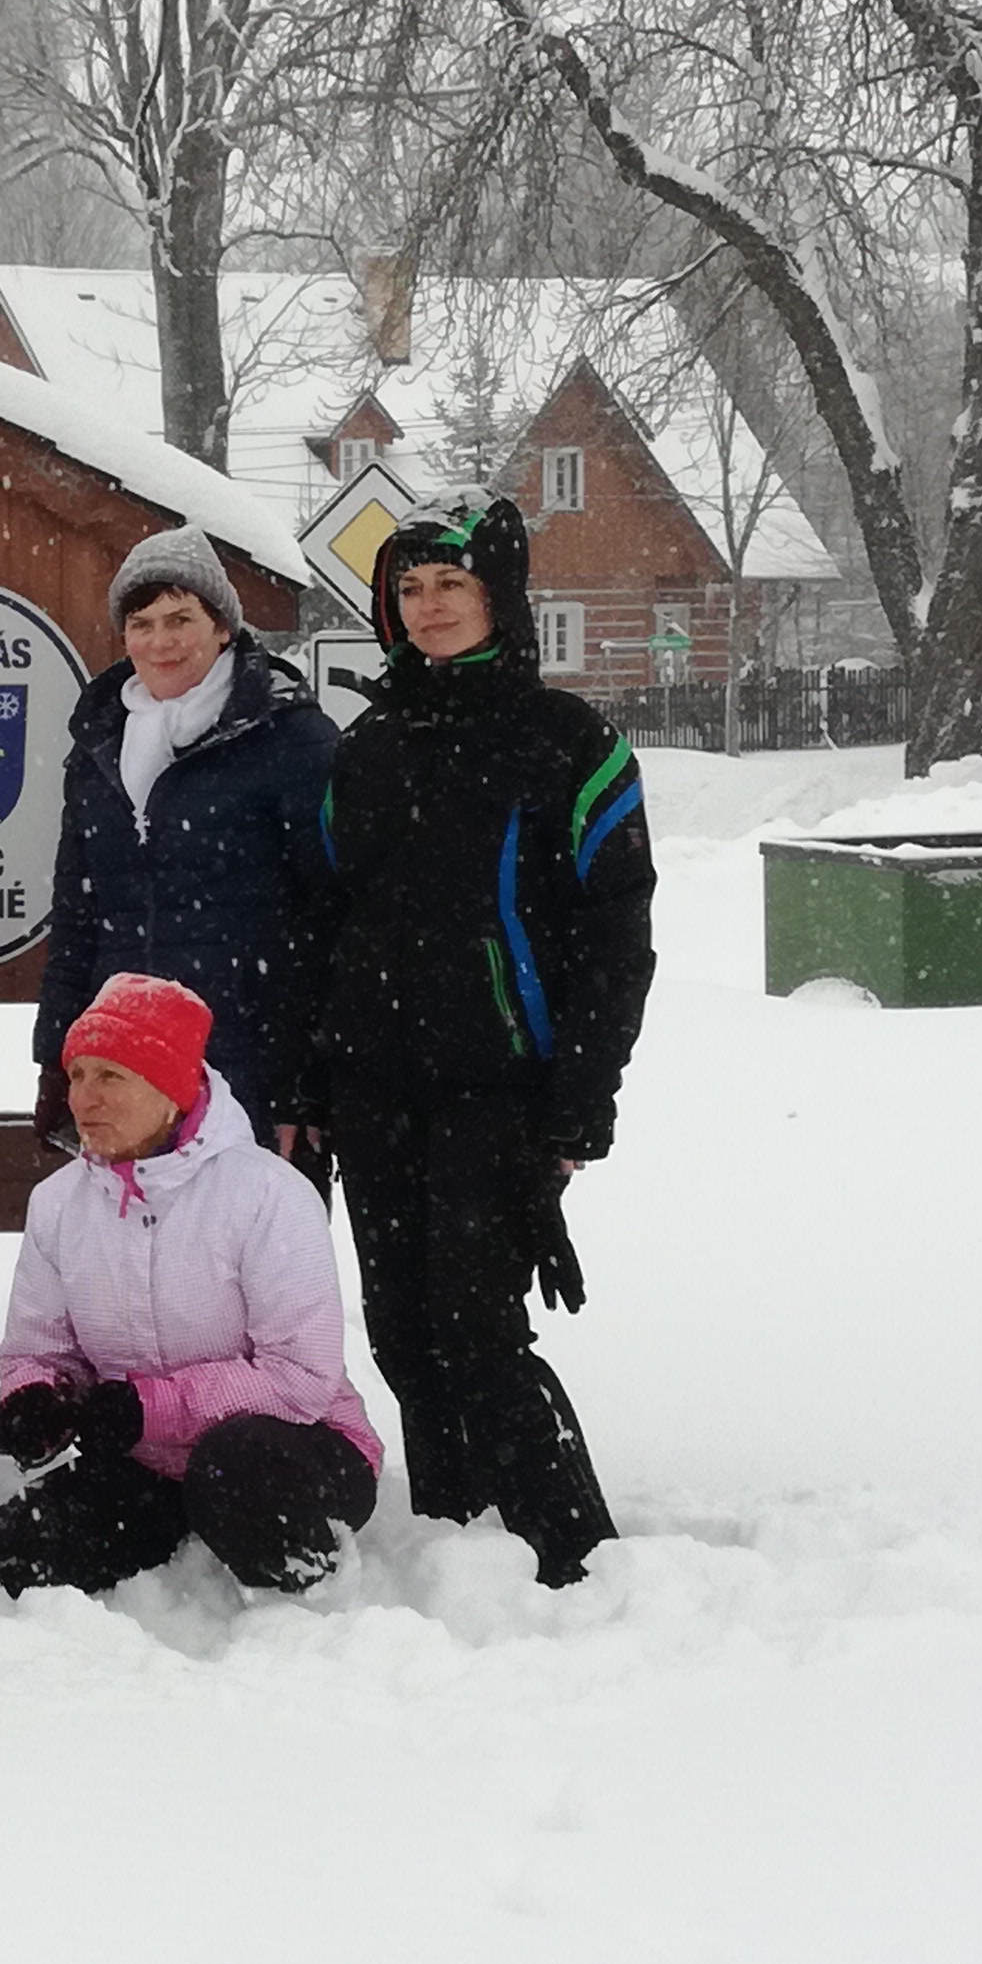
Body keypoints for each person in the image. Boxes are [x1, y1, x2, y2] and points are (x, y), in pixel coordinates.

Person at [299, 496, 653, 1586]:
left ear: (499, 595)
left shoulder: (568, 743)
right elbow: (325, 924)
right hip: (374, 1085)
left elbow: (615, 939)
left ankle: (568, 1554)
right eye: (408, 588)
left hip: (501, 1088)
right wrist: (314, 1079)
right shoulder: (366, 747)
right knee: (402, 1330)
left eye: (450, 583)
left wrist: (580, 1100)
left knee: (477, 1327)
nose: (429, 606)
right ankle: (459, 1540)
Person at [0, 973, 380, 1596]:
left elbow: (300, 1378)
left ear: (171, 1092)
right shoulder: (58, 1204)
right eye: (77, 1075)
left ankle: (303, 1606)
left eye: (111, 1076)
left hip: (296, 1444)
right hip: (148, 1461)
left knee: (232, 1471)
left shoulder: (269, 1194)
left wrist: (144, 1408)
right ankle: (181, 1529)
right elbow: (39, 1349)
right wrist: (37, 1398)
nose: (84, 1098)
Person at [32, 524, 338, 1152]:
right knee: (129, 1221)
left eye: (180, 619)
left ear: (223, 626)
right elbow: (76, 919)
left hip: (249, 1068)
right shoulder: (98, 746)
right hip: (124, 1067)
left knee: (250, 1221)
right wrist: (57, 1057)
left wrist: (304, 1079)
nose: (160, 641)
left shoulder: (290, 736)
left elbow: (328, 919)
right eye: (141, 624)